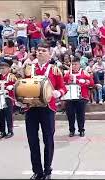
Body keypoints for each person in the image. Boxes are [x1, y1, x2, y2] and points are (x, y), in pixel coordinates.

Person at [22, 42, 67, 179]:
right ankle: (37, 171)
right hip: (31, 108)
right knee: (32, 140)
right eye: (38, 50)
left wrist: (58, 93)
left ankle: (47, 170)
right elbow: (22, 86)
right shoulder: (29, 68)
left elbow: (63, 88)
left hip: (48, 108)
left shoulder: (54, 70)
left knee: (48, 140)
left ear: (49, 54)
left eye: (43, 50)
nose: (40, 52)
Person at [63, 57, 94, 137]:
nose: (74, 66)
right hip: (70, 97)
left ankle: (81, 130)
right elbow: (63, 83)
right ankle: (71, 130)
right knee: (70, 114)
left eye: (76, 64)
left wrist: (84, 82)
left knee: (80, 114)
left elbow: (91, 83)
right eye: (72, 64)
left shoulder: (85, 73)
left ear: (79, 64)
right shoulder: (67, 74)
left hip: (82, 97)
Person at [0, 59, 17, 139]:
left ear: (8, 69)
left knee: (8, 115)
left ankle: (10, 131)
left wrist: (12, 87)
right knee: (0, 115)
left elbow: (17, 84)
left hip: (8, 98)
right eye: (1, 68)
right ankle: (2, 131)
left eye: (4, 68)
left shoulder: (11, 76)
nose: (2, 69)